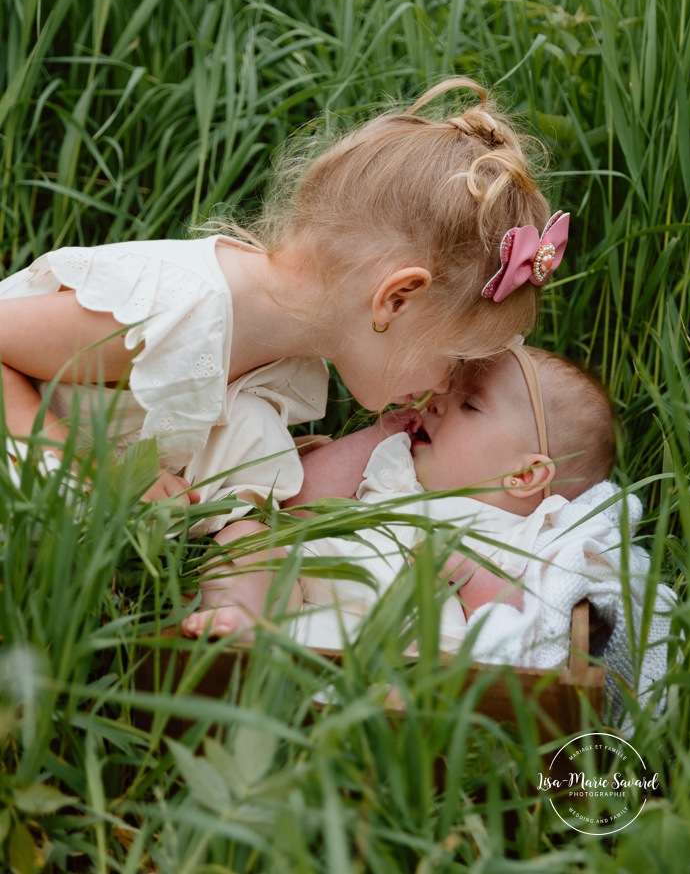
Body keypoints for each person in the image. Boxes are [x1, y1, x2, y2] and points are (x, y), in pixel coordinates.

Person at [0, 77, 565, 634]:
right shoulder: (179, 313)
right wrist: (97, 472)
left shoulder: (291, 354)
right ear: (395, 299)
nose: (445, 386)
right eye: (454, 359)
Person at [182, 344, 613, 644]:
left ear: (525, 475)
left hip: (416, 651)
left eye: (470, 405)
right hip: (305, 608)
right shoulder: (397, 467)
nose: (437, 402)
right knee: (248, 537)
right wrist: (375, 436)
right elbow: (298, 504)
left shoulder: (531, 534)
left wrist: (469, 570)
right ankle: (244, 618)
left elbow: (528, 617)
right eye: (449, 391)